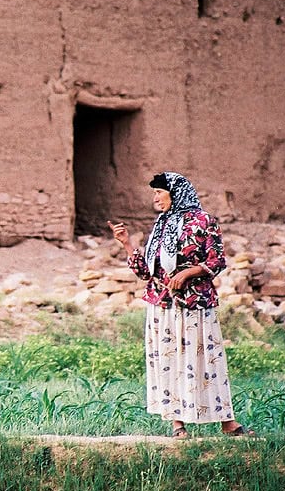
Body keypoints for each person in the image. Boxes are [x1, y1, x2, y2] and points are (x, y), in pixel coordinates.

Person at [107, 171, 254, 439]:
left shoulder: (203, 221)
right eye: (154, 193)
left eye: (159, 192)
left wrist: (187, 274)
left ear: (175, 193)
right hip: (162, 305)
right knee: (168, 361)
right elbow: (146, 272)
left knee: (206, 360)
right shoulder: (161, 225)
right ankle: (177, 424)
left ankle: (227, 422)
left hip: (194, 303)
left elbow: (216, 260)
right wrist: (126, 244)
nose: (155, 198)